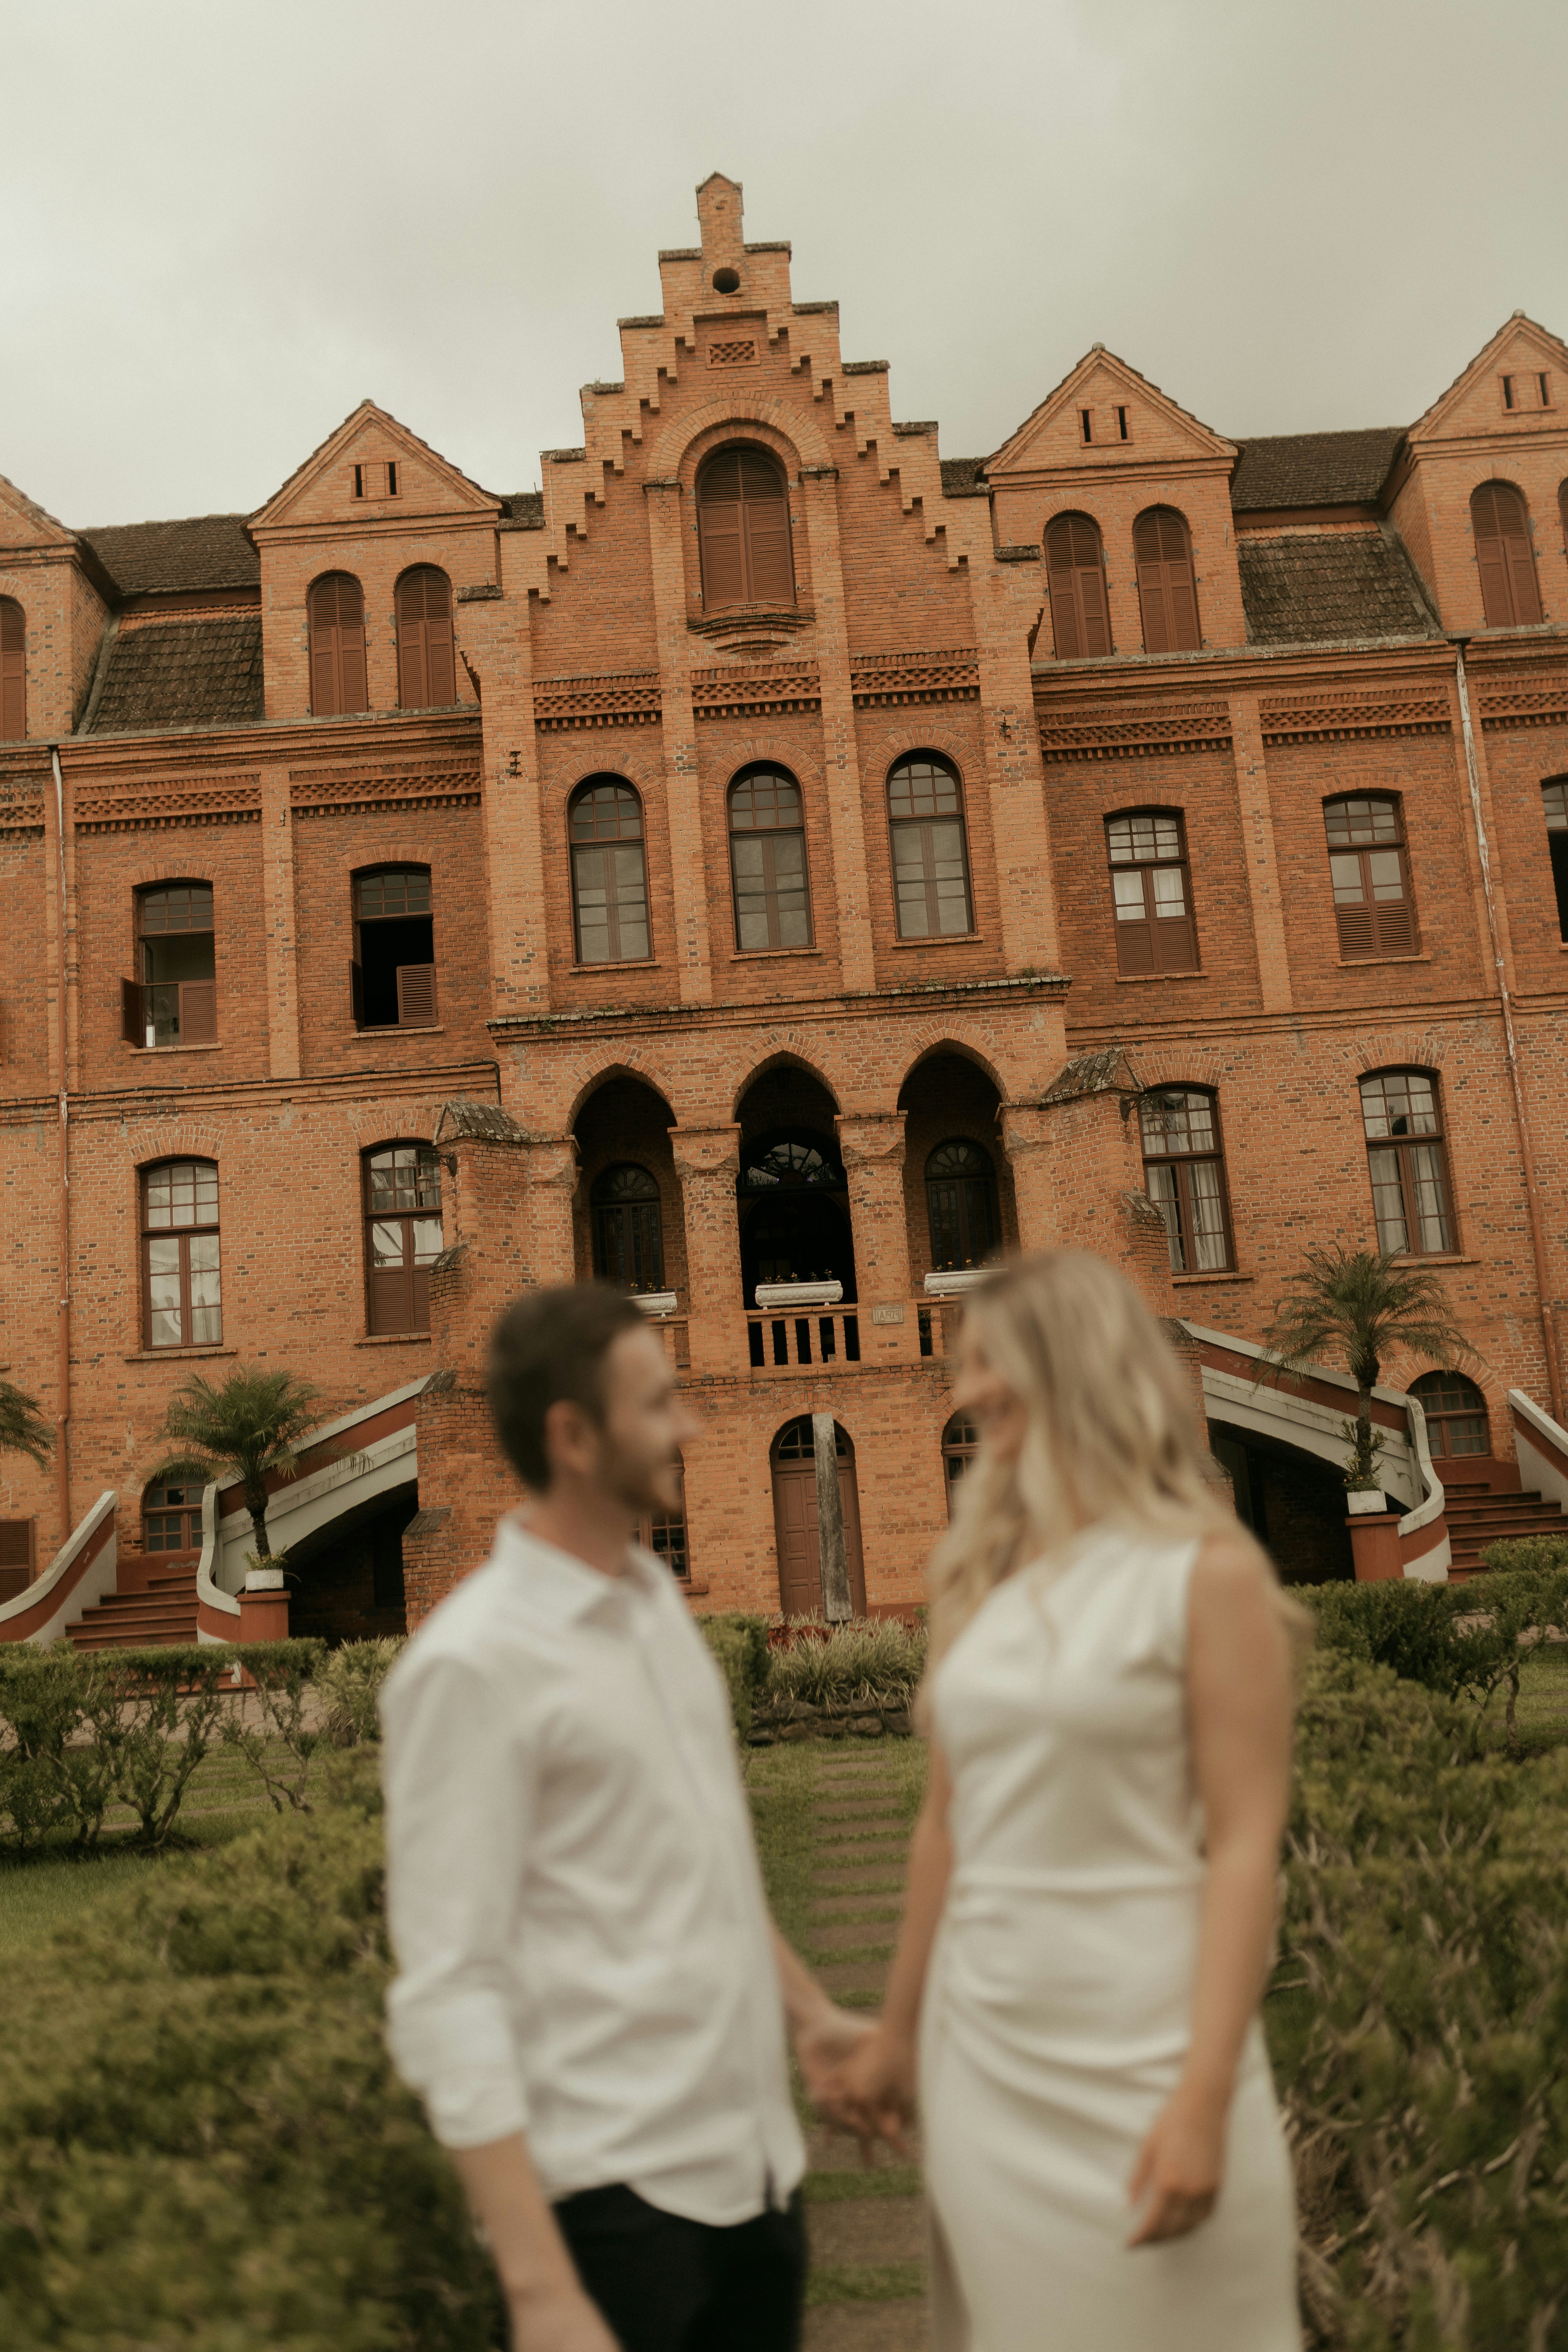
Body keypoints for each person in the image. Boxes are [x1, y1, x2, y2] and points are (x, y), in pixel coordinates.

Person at [381, 1282, 873, 2352]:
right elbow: (448, 1991)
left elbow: (702, 1856)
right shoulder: (471, 1666)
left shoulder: (653, 1602)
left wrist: (810, 2017)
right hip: (614, 2212)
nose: (690, 1423)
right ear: (572, 1435)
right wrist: (542, 2290)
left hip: (756, 2177)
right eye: (657, 1403)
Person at [835, 1249, 1305, 2352]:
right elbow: (945, 1827)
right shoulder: (986, 1582)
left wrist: (1199, 2099)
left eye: (991, 1361)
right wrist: (897, 2035)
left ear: (1072, 1366)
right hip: (990, 2059)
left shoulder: (1207, 1573)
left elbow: (1245, 1848)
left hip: (1148, 2048)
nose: (968, 1390)